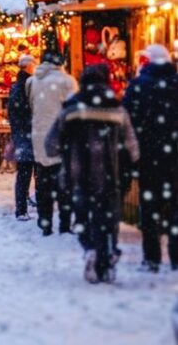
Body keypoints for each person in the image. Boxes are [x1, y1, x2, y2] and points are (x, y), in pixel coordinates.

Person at [45, 63, 139, 284]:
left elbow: (51, 144)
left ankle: (89, 248)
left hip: (77, 175)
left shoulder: (70, 108)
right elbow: (133, 147)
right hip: (112, 175)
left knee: (83, 216)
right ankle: (108, 256)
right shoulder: (117, 108)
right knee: (109, 219)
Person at [123, 43, 178, 272]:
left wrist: (131, 153)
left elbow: (127, 123)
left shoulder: (137, 86)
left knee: (150, 208)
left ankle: (152, 257)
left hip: (147, 156)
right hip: (174, 155)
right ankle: (176, 256)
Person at [27, 50, 77, 235]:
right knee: (64, 184)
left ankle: (45, 221)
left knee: (44, 182)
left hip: (40, 137)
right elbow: (73, 109)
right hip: (61, 137)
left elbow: (33, 106)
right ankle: (64, 224)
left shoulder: (33, 81)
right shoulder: (66, 81)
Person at [7, 54, 36, 220]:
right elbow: (21, 110)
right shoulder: (26, 85)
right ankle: (21, 208)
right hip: (27, 132)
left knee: (25, 171)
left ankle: (23, 204)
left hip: (22, 132)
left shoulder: (18, 85)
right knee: (26, 172)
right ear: (28, 67)